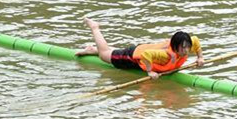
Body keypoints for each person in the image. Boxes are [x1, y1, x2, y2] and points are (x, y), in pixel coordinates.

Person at [75, 17, 203, 79]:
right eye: (183, 48)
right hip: (132, 57)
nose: (186, 51)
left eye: (188, 48)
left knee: (112, 52)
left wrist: (200, 57)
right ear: (175, 47)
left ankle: (92, 50)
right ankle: (95, 27)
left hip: (142, 50)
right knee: (104, 55)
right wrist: (149, 72)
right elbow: (146, 55)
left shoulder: (188, 43)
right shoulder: (166, 55)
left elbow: (196, 41)